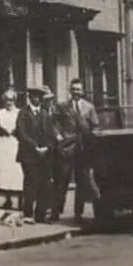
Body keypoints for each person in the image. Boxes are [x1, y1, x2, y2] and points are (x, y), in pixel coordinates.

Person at [52, 79, 100, 223]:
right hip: (67, 147)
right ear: (70, 91)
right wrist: (58, 135)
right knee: (62, 181)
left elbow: (95, 125)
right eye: (73, 89)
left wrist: (91, 139)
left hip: (83, 149)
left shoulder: (89, 107)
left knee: (81, 182)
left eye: (78, 89)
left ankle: (78, 214)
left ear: (82, 91)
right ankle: (56, 212)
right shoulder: (62, 106)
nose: (76, 92)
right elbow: (54, 122)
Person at [15, 85, 57, 223]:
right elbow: (21, 134)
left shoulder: (44, 114)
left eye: (39, 97)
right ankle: (28, 213)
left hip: (44, 155)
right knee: (30, 183)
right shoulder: (23, 113)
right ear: (30, 98)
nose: (37, 99)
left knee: (44, 184)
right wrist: (35, 147)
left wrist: (47, 147)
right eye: (34, 97)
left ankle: (41, 214)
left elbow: (51, 134)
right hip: (29, 155)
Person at [0, 89, 23, 210]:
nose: (9, 102)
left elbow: (22, 127)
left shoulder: (19, 112)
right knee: (4, 169)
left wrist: (15, 131)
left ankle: (17, 198)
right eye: (6, 100)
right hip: (3, 143)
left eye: (11, 100)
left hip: (14, 142)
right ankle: (6, 197)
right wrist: (3, 130)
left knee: (15, 169)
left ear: (15, 101)